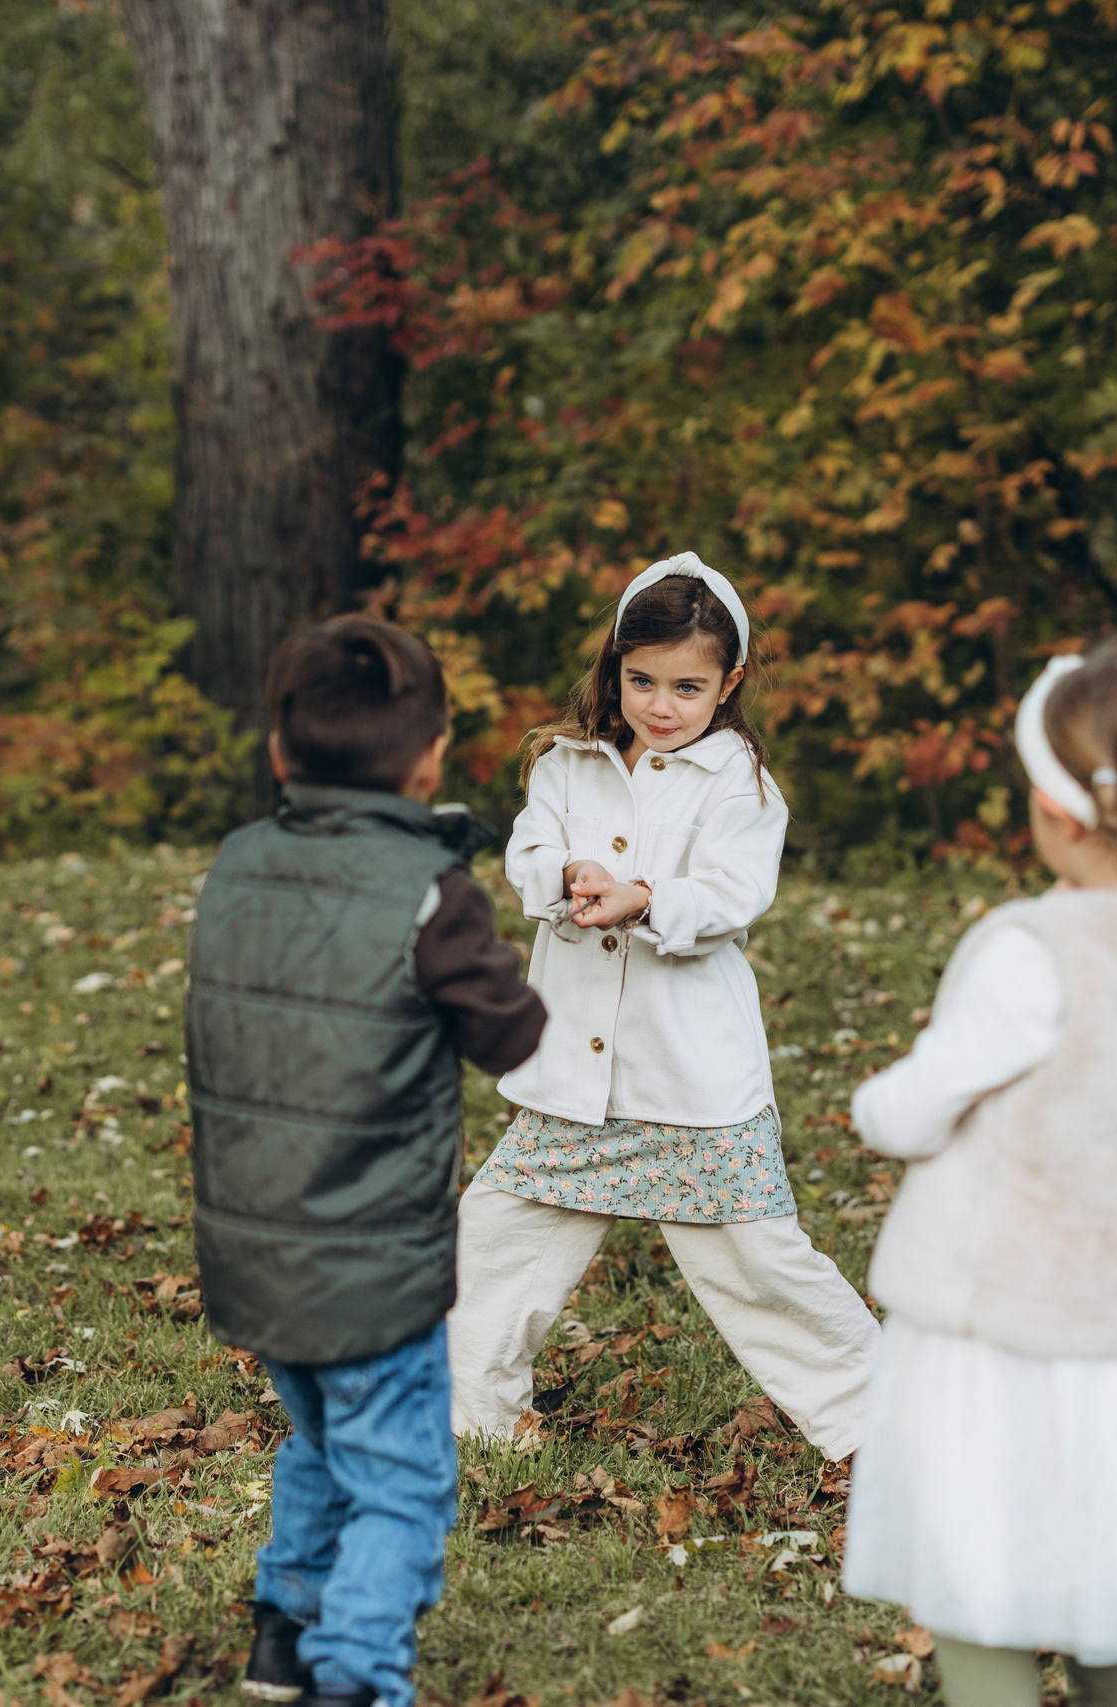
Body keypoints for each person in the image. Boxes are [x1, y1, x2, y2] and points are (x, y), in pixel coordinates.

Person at [841, 641, 1117, 1707]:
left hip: (1003, 1334)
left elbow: (908, 1112)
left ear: (1056, 810)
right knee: (1110, 1575)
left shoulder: (1031, 950)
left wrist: (874, 1101)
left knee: (978, 1575)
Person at [447, 552, 880, 1460]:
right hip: (575, 1079)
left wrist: (644, 897)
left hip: (692, 1082)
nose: (661, 705)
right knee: (497, 1237)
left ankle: (888, 1420)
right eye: (642, 680)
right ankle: (472, 1411)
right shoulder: (568, 764)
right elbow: (529, 852)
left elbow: (733, 893)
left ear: (729, 684)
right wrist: (567, 873)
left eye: (688, 687)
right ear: (616, 667)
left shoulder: (738, 782)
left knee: (760, 1265)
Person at [187, 615, 547, 1707]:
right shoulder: (431, 894)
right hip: (372, 1264)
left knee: (322, 1438)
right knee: (400, 1482)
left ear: (278, 752)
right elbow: (512, 1035)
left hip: (254, 1249)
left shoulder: (236, 865)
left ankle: (284, 1634)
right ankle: (354, 1676)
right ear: (431, 758)